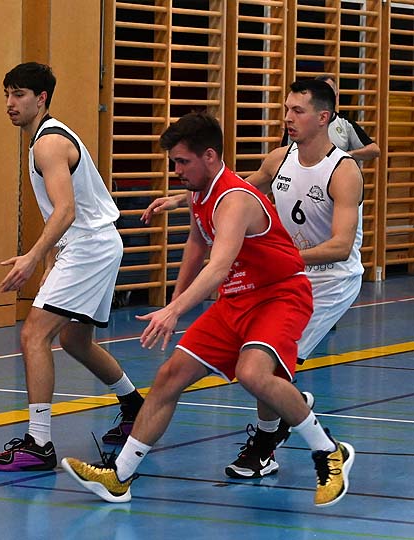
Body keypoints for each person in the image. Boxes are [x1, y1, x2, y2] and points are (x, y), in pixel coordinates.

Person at [61, 112, 354, 508]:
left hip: (279, 295)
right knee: (169, 376)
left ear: (210, 156)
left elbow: (217, 267)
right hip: (237, 299)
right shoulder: (200, 194)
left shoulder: (234, 200)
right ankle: (119, 477)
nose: (177, 171)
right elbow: (197, 246)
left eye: (183, 162)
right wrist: (174, 304)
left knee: (253, 372)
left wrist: (175, 311)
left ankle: (329, 452)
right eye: (174, 162)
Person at [143, 80, 364, 480]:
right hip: (283, 275)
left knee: (265, 366)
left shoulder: (343, 170)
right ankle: (290, 408)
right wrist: (182, 198)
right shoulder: (279, 158)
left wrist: (278, 260)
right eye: (286, 109)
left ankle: (269, 444)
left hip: (330, 280)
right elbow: (236, 189)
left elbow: (341, 246)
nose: (288, 118)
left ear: (323, 118)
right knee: (266, 371)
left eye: (298, 111)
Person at [0, 62, 144, 471]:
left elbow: (66, 210)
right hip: (95, 244)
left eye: (19, 95)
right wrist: (51, 260)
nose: (10, 103)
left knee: (34, 334)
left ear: (41, 99)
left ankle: (39, 443)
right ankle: (134, 406)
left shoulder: (48, 144)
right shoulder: (46, 137)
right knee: (74, 340)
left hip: (89, 247)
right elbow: (67, 211)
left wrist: (33, 256)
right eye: (7, 94)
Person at [281, 75, 380, 163]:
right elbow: (283, 154)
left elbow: (374, 150)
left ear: (336, 96)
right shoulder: (297, 125)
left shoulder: (345, 123)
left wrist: (345, 156)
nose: (288, 118)